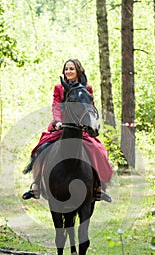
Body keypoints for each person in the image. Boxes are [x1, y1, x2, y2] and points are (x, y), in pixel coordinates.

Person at [22, 58, 113, 201]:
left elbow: (90, 108)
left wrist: (91, 123)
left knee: (99, 151)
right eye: (66, 69)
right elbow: (56, 105)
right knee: (39, 150)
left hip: (81, 129)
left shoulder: (87, 88)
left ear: (78, 70)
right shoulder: (59, 88)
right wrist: (58, 121)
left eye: (71, 69)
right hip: (60, 126)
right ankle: (36, 185)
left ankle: (98, 186)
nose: (68, 71)